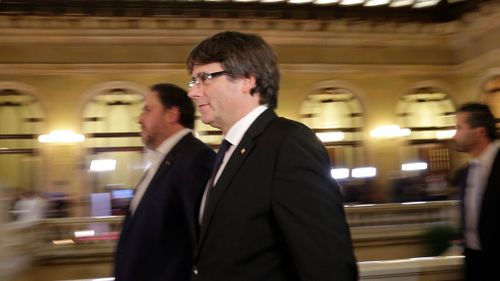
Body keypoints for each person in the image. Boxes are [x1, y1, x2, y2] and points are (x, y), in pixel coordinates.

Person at [187, 31, 358, 281]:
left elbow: (327, 263)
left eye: (204, 78)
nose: (193, 92)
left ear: (247, 78)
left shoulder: (289, 144)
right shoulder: (230, 149)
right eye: (193, 81)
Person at [114, 83, 215, 281]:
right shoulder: (165, 159)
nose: (140, 119)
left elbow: (200, 239)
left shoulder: (194, 158)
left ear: (171, 115)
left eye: (148, 110)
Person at [453, 103, 499, 281]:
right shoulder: (466, 172)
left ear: (480, 132)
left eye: (459, 128)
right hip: (474, 263)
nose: (455, 135)